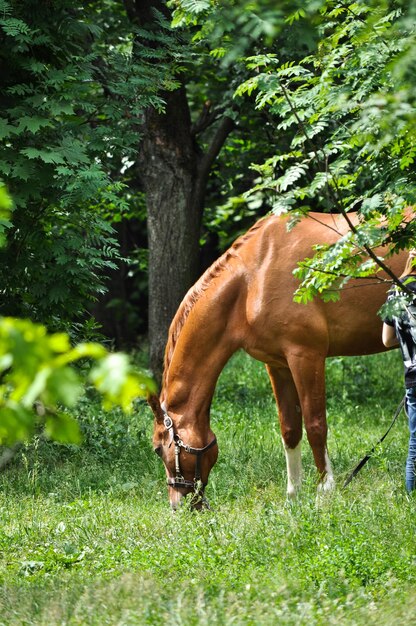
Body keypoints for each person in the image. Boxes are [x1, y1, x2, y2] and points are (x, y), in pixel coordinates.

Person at [382, 249, 416, 492]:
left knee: (415, 444)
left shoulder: (395, 291)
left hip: (413, 378)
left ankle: (410, 496)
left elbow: (386, 340)